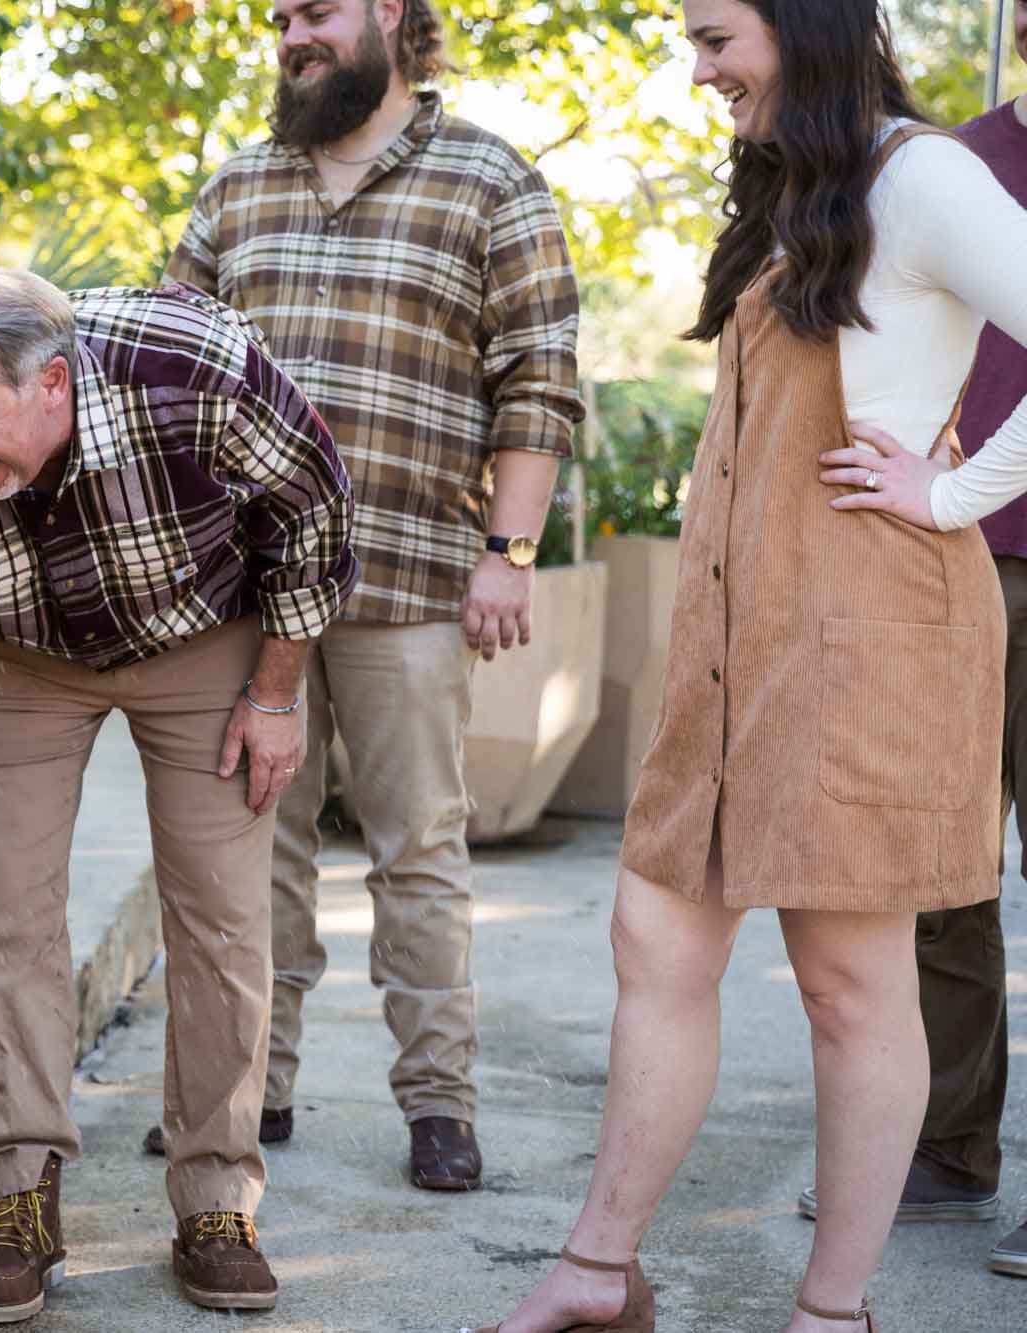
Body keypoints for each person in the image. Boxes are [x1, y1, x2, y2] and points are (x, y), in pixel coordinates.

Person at [476, 3, 1027, 1331]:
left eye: (719, 35)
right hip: (738, 640)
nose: (701, 68)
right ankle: (599, 1273)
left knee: (851, 977)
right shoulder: (800, 185)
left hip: (872, 635)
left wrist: (953, 500)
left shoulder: (925, 175)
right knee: (654, 936)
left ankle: (831, 1312)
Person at [0, 267, 358, 1319]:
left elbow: (309, 517)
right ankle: (18, 1198)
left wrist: (274, 696)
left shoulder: (192, 373)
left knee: (217, 914)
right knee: (8, 916)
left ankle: (215, 1197)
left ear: (53, 385)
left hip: (201, 636)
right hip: (11, 653)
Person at [162, 0, 583, 1190]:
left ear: (391, 14)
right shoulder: (236, 186)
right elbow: (164, 362)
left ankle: (438, 1106)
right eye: (280, 16)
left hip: (405, 581)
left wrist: (507, 551)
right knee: (249, 852)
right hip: (244, 593)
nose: (291, 32)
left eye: (314, 11)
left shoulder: (489, 179)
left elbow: (538, 378)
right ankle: (250, 1090)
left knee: (418, 853)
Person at [795, 0, 1027, 1282]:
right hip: (953, 563)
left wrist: (950, 488)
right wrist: (942, 500)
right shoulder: (955, 153)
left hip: (957, 517)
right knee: (939, 877)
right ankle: (949, 1146)